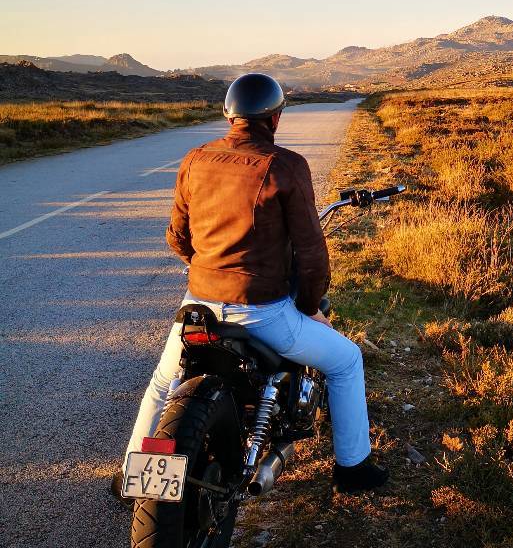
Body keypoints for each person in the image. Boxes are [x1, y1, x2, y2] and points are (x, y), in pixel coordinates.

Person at [113, 72, 387, 497]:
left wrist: (208, 268)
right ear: (275, 119)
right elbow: (312, 256)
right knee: (346, 360)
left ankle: (135, 479)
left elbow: (178, 238)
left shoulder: (194, 158)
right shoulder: (286, 166)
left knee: (163, 382)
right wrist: (311, 306)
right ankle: (353, 469)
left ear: (229, 115)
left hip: (198, 304)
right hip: (262, 311)